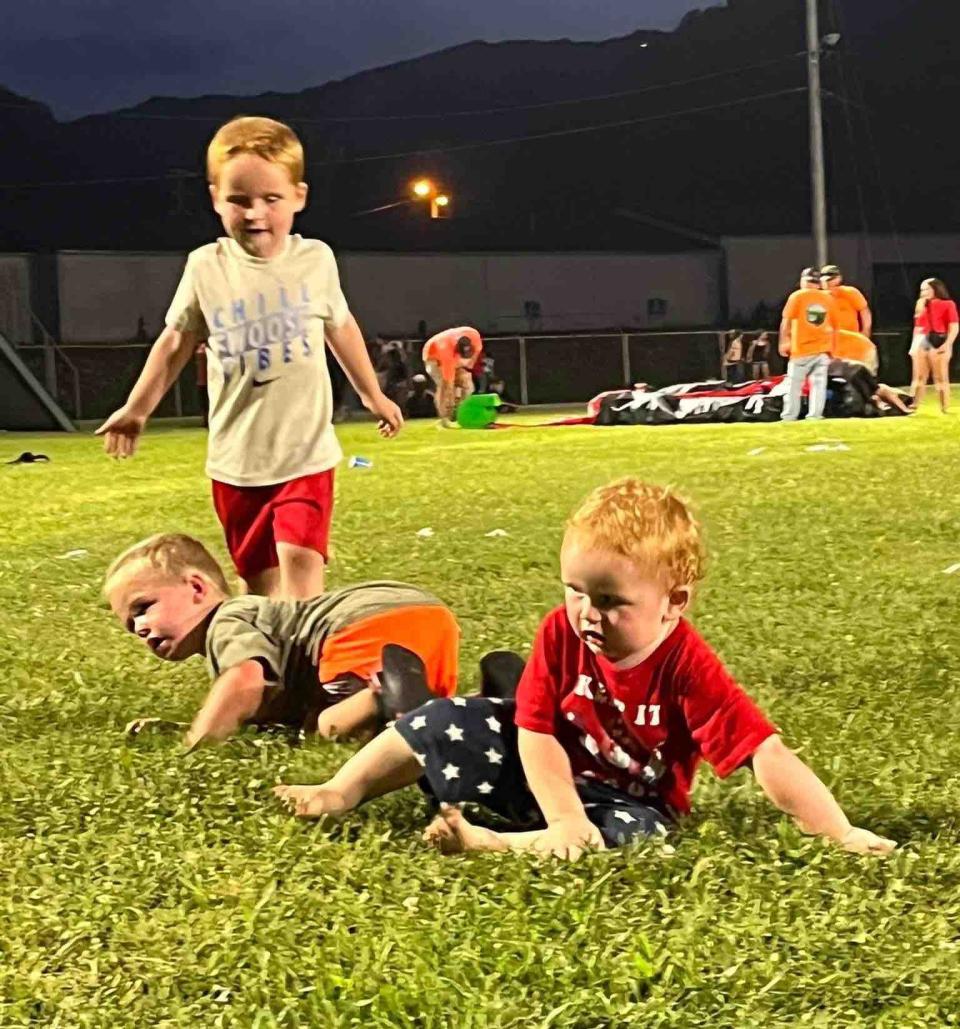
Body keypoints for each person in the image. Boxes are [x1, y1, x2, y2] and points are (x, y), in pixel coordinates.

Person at [275, 478, 896, 860]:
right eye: (576, 590)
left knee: (637, 835)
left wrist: (840, 832)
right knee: (447, 717)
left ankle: (488, 843)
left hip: (625, 800)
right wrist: (562, 810)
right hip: (542, 771)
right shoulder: (560, 630)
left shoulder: (686, 666)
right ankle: (342, 791)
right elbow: (536, 729)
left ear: (673, 603)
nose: (586, 614)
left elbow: (767, 755)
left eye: (610, 601)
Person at [95, 116, 403, 600]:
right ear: (216, 197)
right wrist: (135, 411)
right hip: (236, 462)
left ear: (298, 197)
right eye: (239, 200)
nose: (255, 213)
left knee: (302, 564)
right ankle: (267, 667)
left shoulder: (315, 260)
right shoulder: (205, 267)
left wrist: (373, 394)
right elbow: (174, 344)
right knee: (259, 583)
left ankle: (305, 667)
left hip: (305, 453)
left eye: (271, 199)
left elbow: (340, 327)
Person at [105, 533, 459, 747]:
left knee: (326, 728)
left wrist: (196, 742)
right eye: (129, 624)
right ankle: (490, 698)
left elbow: (244, 679)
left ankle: (380, 694)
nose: (138, 627)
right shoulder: (254, 621)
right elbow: (266, 718)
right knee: (429, 721)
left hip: (360, 625)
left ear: (197, 588)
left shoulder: (226, 621)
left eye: (143, 607)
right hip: (426, 618)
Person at [779, 267, 838, 421]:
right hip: (822, 349)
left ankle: (789, 416)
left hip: (801, 349)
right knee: (818, 385)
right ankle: (815, 415)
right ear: (818, 283)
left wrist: (783, 341)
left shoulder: (797, 296)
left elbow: (786, 321)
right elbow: (834, 326)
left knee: (793, 386)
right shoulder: (828, 298)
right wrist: (833, 348)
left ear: (803, 281)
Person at [909, 278, 959, 414]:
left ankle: (944, 407)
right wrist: (914, 346)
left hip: (939, 339)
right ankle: (913, 405)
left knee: (940, 377)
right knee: (918, 377)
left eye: (927, 289)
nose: (924, 292)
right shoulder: (920, 304)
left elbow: (953, 326)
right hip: (922, 339)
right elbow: (917, 326)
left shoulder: (948, 304)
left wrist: (948, 344)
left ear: (936, 289)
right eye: (922, 290)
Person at [422, 326, 483, 427]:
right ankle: (444, 418)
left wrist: (467, 368)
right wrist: (451, 401)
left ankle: (463, 413)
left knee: (467, 383)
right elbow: (448, 384)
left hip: (450, 351)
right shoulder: (446, 352)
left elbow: (473, 358)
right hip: (432, 355)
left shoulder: (474, 335)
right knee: (444, 386)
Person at [820, 264, 872, 338]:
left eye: (831, 279)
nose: (829, 283)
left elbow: (864, 311)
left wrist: (866, 331)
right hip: (828, 340)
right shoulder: (818, 297)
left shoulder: (850, 292)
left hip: (850, 338)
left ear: (839, 279)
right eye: (826, 280)